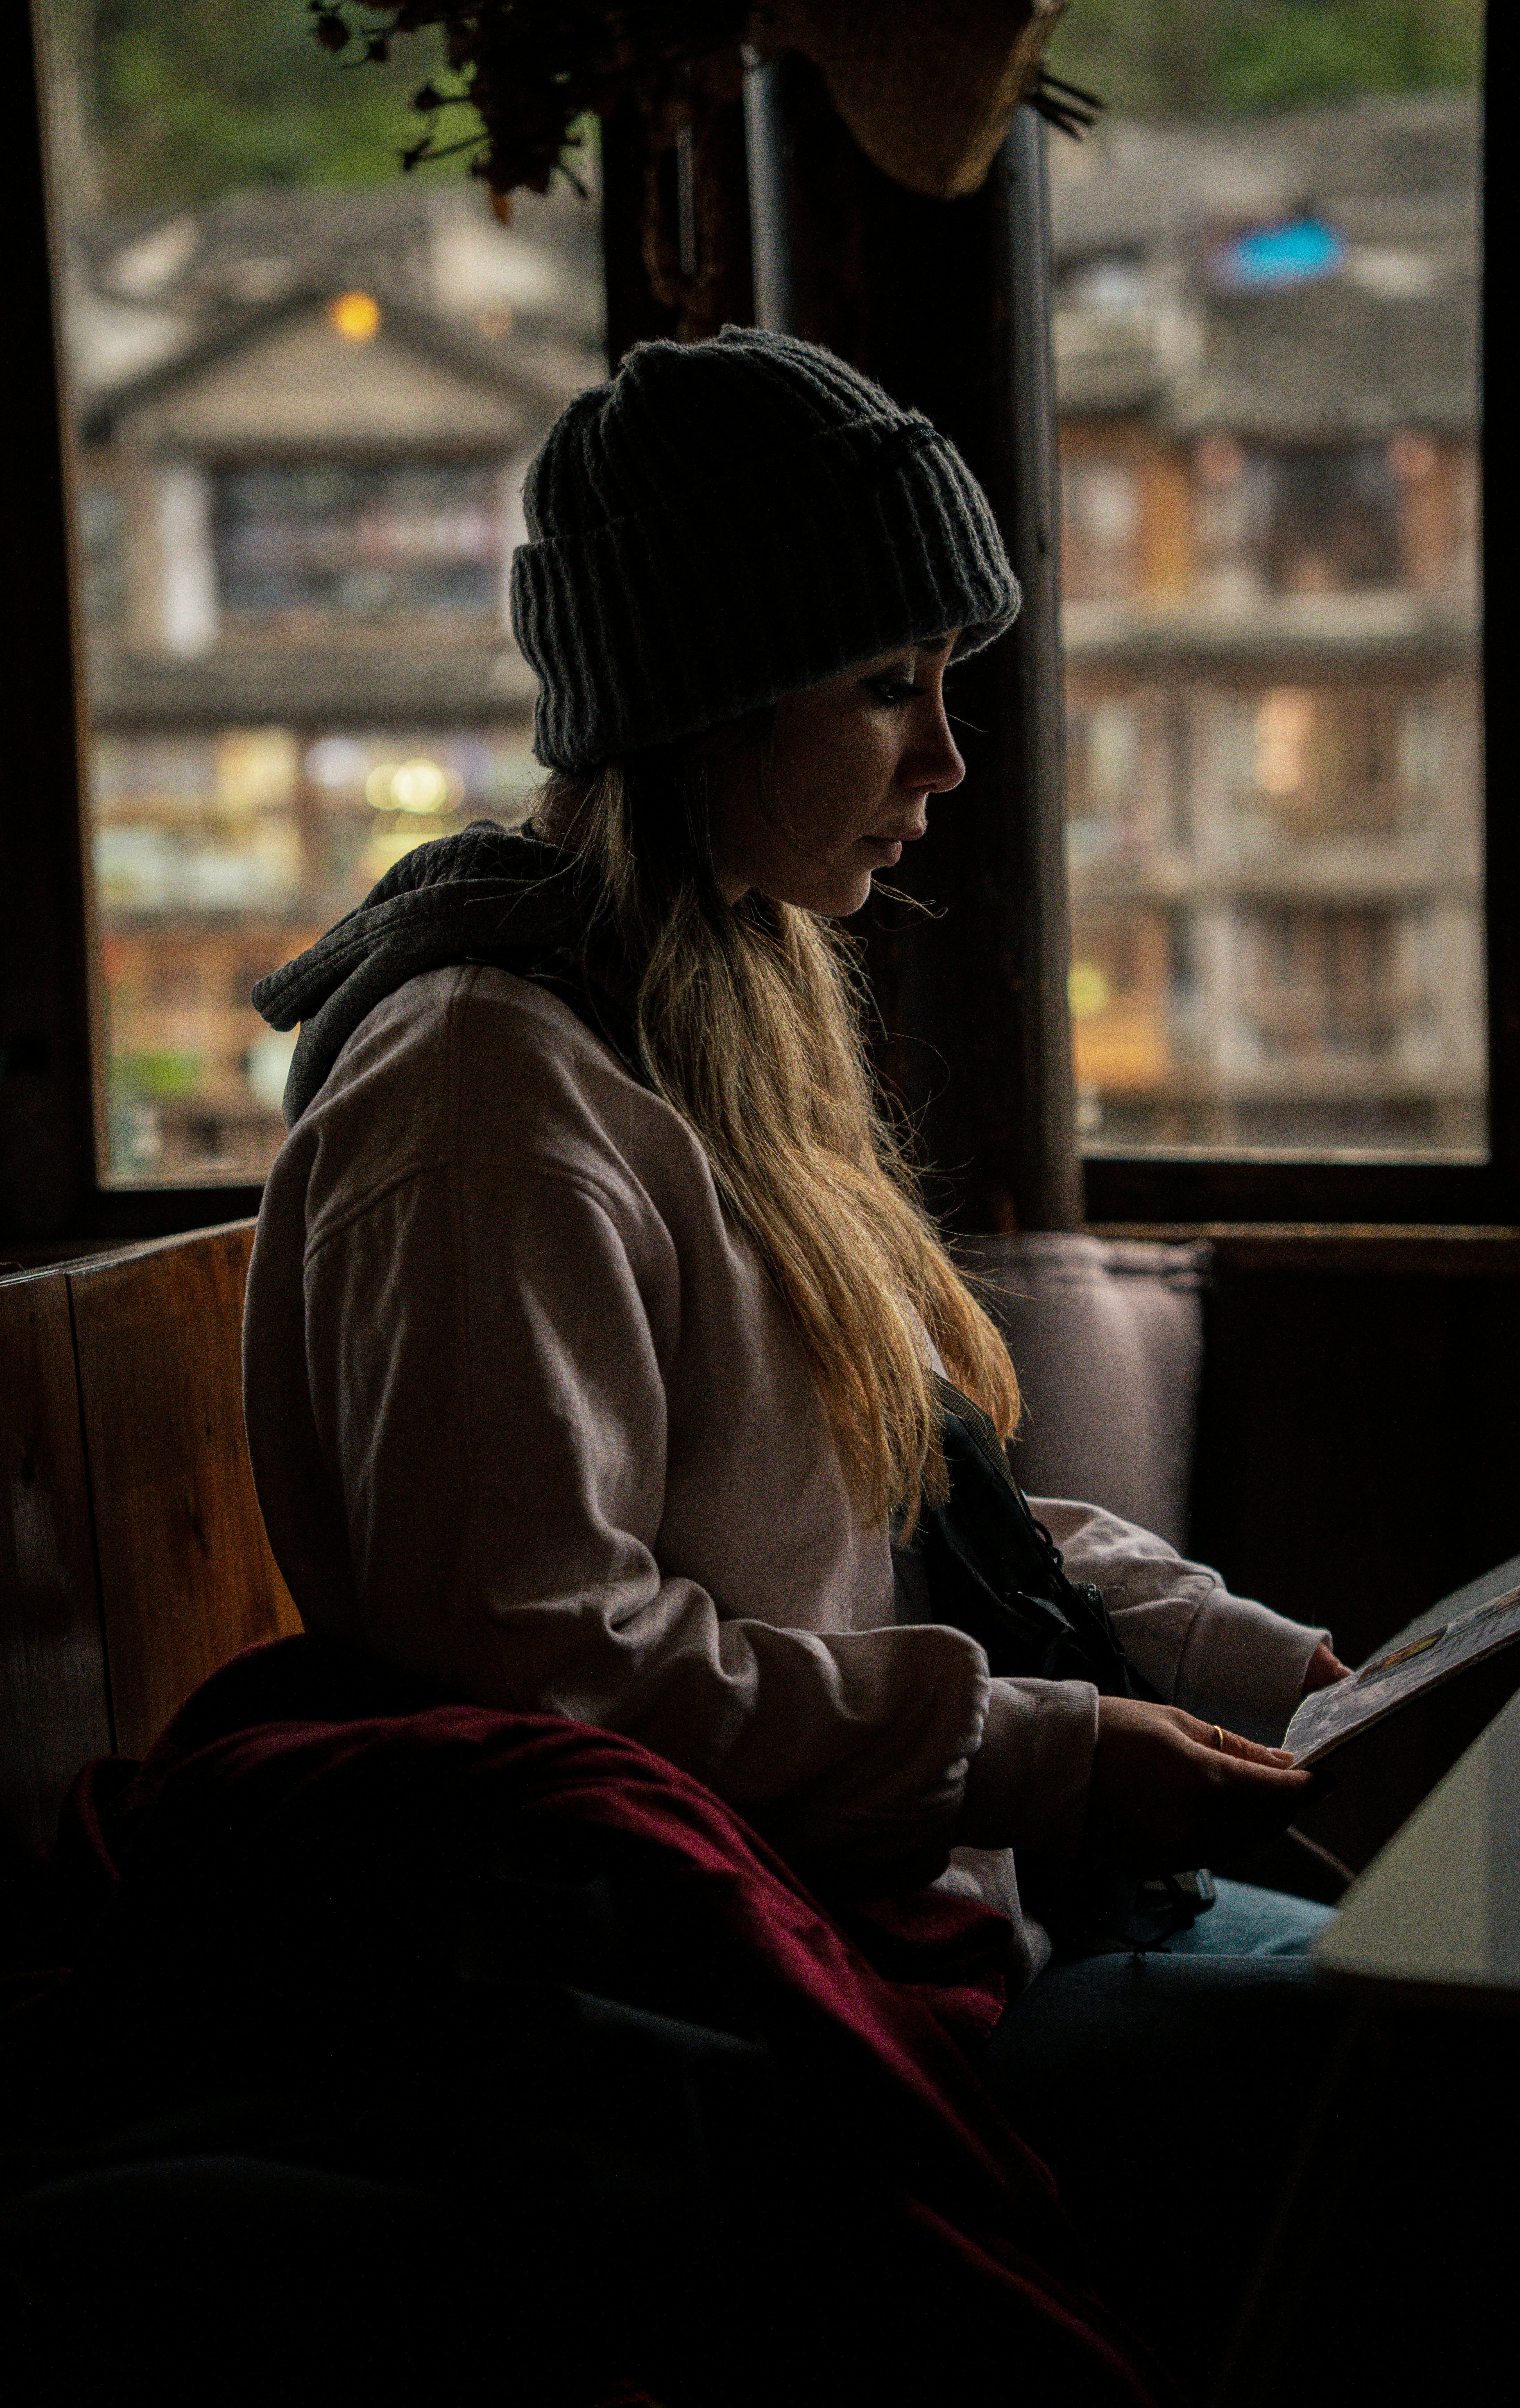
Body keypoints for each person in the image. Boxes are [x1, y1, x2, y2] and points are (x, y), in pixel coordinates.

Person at [243, 326, 1351, 2390]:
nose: (945, 760)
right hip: (785, 1973)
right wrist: (1038, 1750)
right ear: (702, 700)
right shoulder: (490, 1094)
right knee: (1457, 2083)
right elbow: (536, 1663)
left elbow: (912, 1512)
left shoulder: (708, 1010)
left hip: (935, 1896)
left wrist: (1256, 1662)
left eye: (951, 685)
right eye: (885, 686)